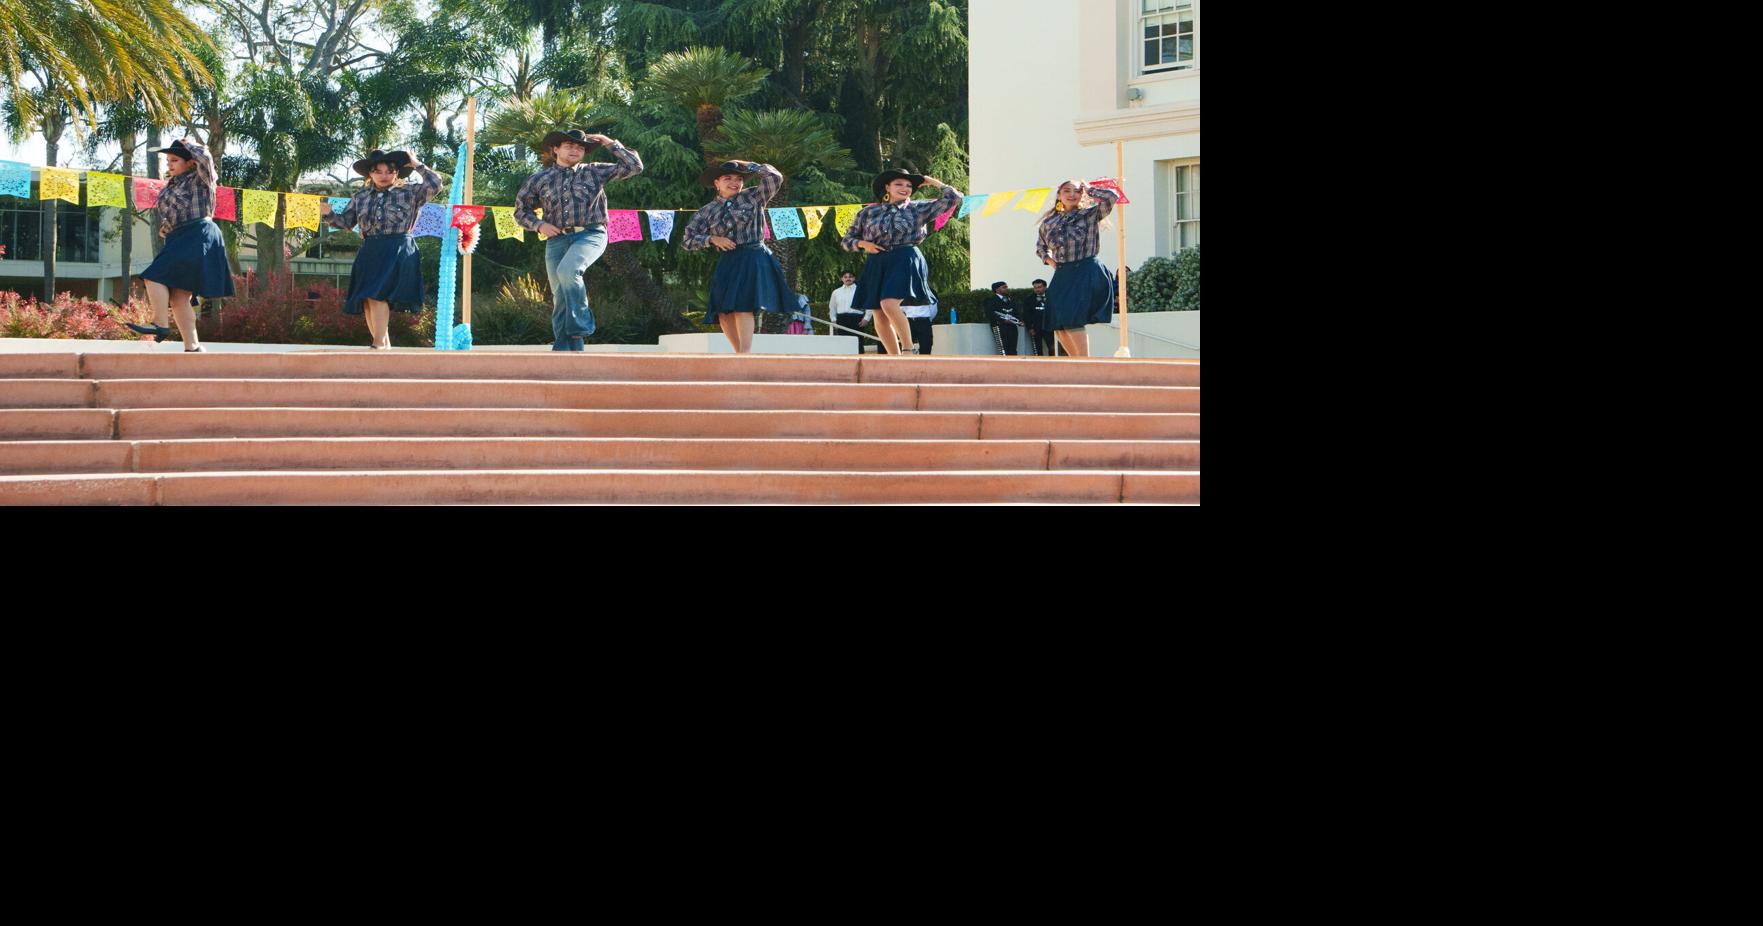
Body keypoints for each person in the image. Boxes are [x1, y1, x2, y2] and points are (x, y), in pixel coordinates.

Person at [512, 128, 643, 351]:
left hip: (591, 234)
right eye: (569, 145)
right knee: (560, 297)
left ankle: (582, 321)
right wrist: (540, 225)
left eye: (580, 147)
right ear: (555, 149)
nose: (575, 149)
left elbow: (634, 166)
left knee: (569, 271)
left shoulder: (594, 171)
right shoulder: (538, 178)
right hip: (557, 240)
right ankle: (567, 352)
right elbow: (521, 211)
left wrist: (609, 142)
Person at [320, 149, 443, 349]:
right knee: (368, 297)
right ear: (370, 174)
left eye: (389, 171)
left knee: (378, 294)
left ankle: (377, 344)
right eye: (378, 171)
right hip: (370, 248)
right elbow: (346, 223)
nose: (384, 175)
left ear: (397, 173)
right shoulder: (361, 196)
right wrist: (329, 214)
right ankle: (384, 345)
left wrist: (416, 163)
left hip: (398, 247)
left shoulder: (410, 192)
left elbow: (436, 184)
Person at [680, 160, 803, 354]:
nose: (734, 182)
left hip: (753, 256)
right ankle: (738, 354)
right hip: (728, 260)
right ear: (716, 183)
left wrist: (748, 165)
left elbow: (775, 177)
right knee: (723, 311)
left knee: (742, 306)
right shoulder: (706, 211)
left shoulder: (754, 196)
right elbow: (687, 240)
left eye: (738, 179)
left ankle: (745, 353)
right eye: (728, 178)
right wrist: (712, 239)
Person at [840, 166, 963, 355]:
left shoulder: (918, 208)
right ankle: (894, 358)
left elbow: (954, 198)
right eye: (899, 184)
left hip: (905, 257)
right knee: (878, 312)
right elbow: (847, 241)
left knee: (888, 303)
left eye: (909, 185)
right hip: (877, 260)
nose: (905, 188)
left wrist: (932, 181)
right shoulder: (867, 213)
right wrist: (864, 244)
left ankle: (907, 349)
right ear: (887, 187)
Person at [125, 138, 234, 351]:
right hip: (180, 235)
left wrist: (186, 144)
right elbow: (172, 213)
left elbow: (206, 157)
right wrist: (166, 227)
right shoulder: (170, 186)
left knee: (153, 275)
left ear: (190, 162)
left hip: (199, 233)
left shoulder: (202, 178)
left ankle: (159, 324)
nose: (170, 164)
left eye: (175, 159)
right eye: (168, 161)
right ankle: (192, 347)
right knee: (178, 296)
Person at [1035, 179, 1121, 357]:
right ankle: (1077, 363)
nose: (1072, 194)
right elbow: (1040, 247)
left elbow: (1112, 197)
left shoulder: (1090, 214)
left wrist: (1090, 190)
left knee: (1073, 318)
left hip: (1086, 268)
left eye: (1076, 191)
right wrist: (1050, 261)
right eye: (1067, 191)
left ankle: (1085, 363)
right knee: (1057, 322)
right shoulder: (1049, 222)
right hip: (1063, 272)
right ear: (1059, 195)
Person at [829, 270, 875, 354]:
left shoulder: (861, 290)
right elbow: (832, 307)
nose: (848, 279)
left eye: (850, 276)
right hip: (841, 319)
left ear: (854, 278)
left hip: (856, 319)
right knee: (842, 342)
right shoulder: (836, 292)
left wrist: (866, 318)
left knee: (858, 341)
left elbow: (869, 305)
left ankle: (860, 360)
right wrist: (833, 319)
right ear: (841, 279)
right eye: (845, 277)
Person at [985, 281, 1024, 355]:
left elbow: (1016, 312)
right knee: (1003, 349)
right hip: (999, 327)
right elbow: (990, 313)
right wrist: (1003, 320)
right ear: (997, 290)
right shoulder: (991, 300)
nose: (1007, 289)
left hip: (1012, 327)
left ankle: (1013, 365)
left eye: (1006, 287)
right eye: (1004, 287)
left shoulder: (1010, 300)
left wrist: (1019, 320)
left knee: (1013, 348)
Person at [1022, 278, 1056, 356]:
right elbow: (1026, 315)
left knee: (1052, 347)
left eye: (1039, 287)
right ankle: (1039, 363)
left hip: (1050, 326)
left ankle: (1053, 362)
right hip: (1036, 327)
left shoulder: (1052, 297)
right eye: (1035, 287)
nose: (1037, 289)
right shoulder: (1029, 299)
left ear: (1045, 287)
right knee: (1037, 348)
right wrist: (1030, 328)